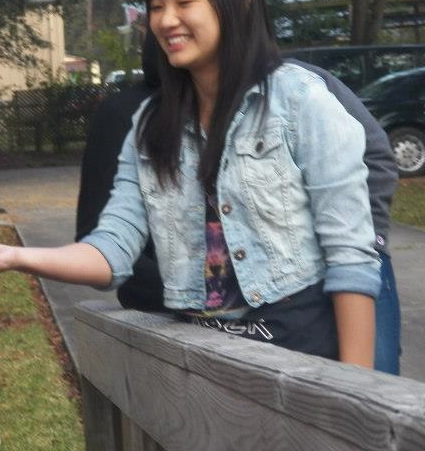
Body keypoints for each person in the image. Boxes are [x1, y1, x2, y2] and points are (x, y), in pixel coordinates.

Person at [0, 0, 381, 366]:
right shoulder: (151, 126)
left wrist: (355, 385)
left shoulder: (300, 102)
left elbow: (351, 256)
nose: (166, 20)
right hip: (205, 361)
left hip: (301, 355)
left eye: (184, 2)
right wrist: (11, 256)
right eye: (156, 7)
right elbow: (112, 249)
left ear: (240, 2)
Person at [75, 38, 402, 371]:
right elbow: (102, 232)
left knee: (373, 378)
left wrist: (365, 242)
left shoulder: (293, 89)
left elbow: (376, 157)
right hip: (189, 308)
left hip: (336, 270)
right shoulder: (136, 117)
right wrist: (197, 289)